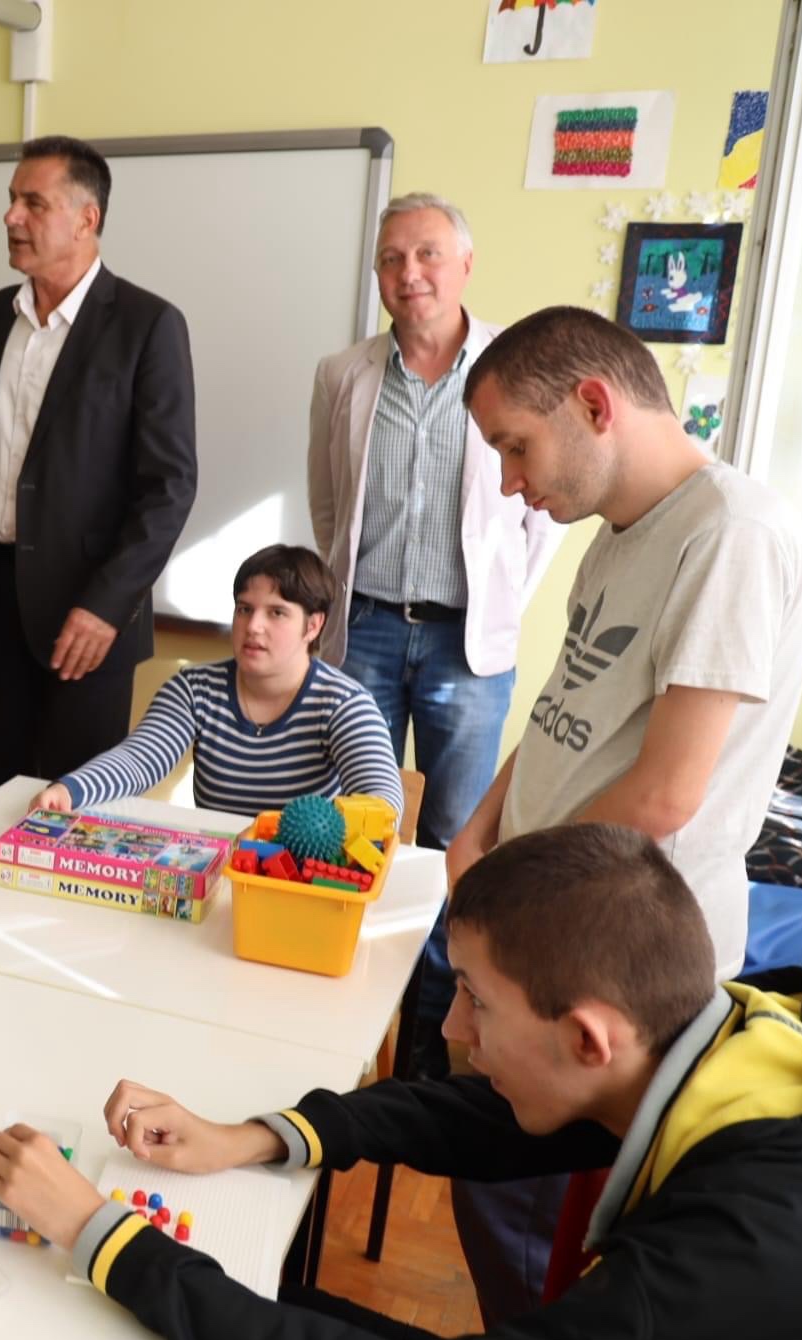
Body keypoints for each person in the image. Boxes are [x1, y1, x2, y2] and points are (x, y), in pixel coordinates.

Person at [0, 824, 802, 1340]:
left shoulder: (708, 1277)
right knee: (276, 1295)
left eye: (476, 999)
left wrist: (102, 1236)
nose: (454, 1029)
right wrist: (256, 1136)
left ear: (588, 1036)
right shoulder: (739, 1035)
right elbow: (486, 1115)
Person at [434, 305, 802, 1324]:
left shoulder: (730, 534)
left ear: (594, 405)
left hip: (609, 950)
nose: (509, 482)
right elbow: (565, 706)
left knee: (536, 1236)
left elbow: (664, 794)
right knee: (494, 1193)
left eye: (515, 446)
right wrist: (481, 824)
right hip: (542, 922)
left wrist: (503, 898)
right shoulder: (615, 535)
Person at [306, 193, 560, 851]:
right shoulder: (342, 374)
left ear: (466, 264)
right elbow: (330, 505)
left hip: (465, 642)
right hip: (365, 633)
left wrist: (502, 599)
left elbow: (544, 513)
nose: (409, 272)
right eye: (391, 259)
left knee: (457, 830)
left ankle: (449, 929)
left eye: (428, 254)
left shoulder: (519, 365)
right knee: (357, 823)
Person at [0, 135, 196, 794]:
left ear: (88, 218)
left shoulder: (147, 324)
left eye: (33, 203)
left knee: (74, 811)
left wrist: (106, 606)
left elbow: (169, 487)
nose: (11, 217)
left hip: (87, 615)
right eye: (12, 200)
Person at [33, 544, 402, 821]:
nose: (253, 626)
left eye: (276, 613)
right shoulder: (194, 689)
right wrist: (69, 790)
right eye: (245, 609)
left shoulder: (344, 703)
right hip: (214, 872)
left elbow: (382, 800)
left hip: (299, 880)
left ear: (313, 625)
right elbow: (140, 759)